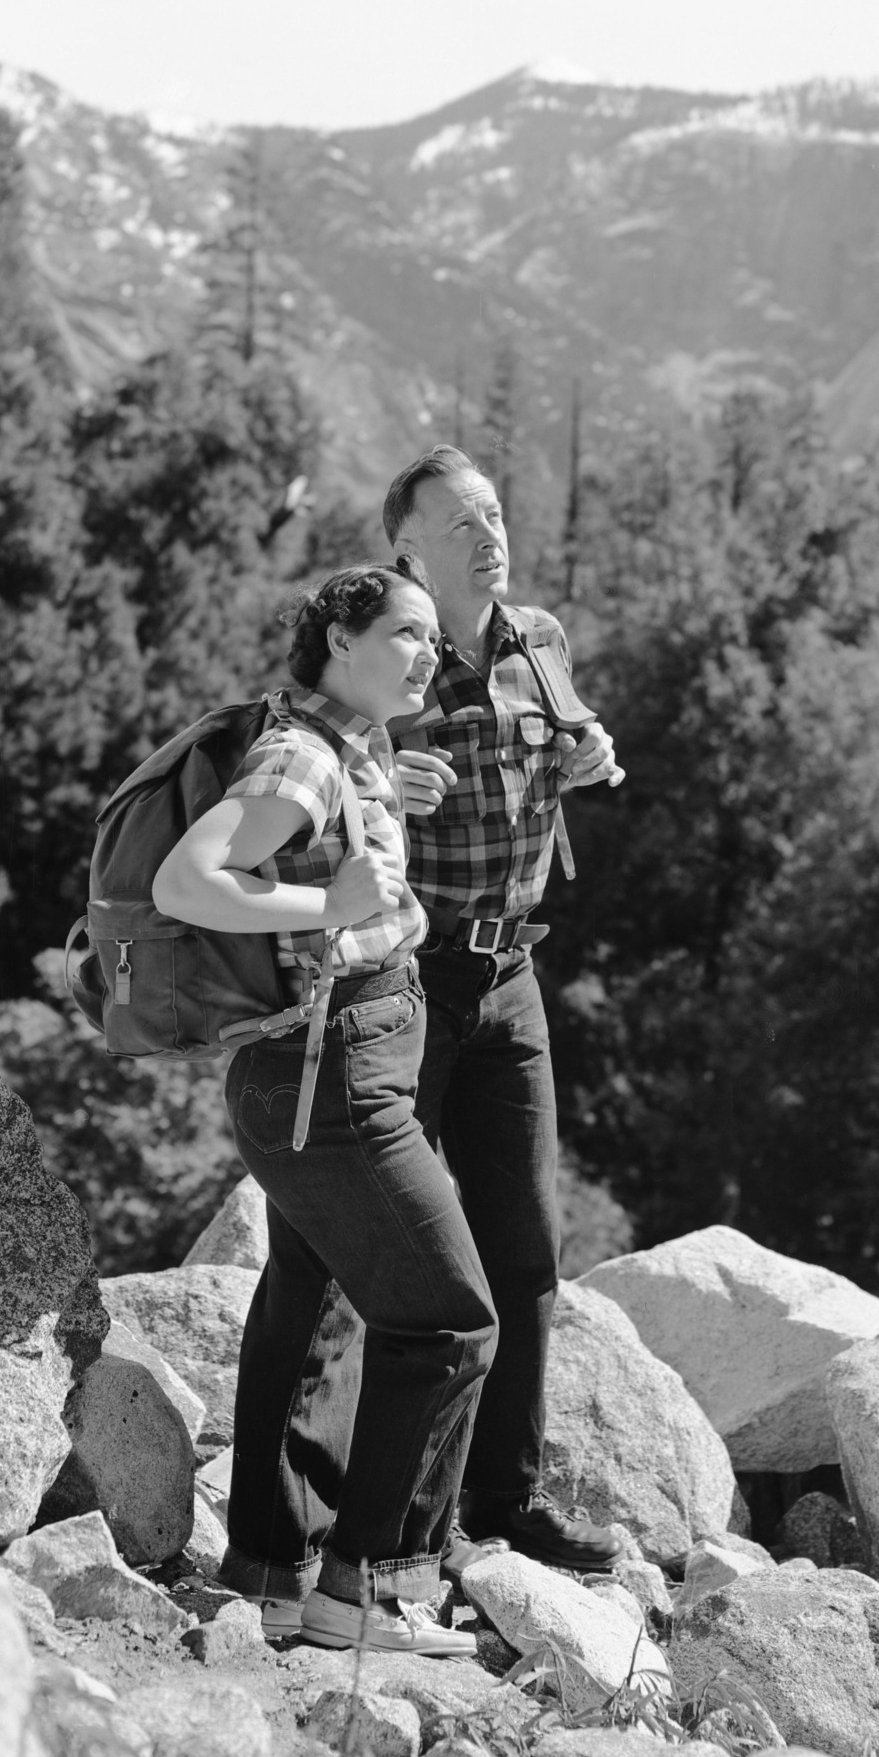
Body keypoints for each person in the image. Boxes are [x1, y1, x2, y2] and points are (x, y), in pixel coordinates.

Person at [150, 559, 494, 1655]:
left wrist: (391, 797)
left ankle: (277, 1573)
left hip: (341, 1061)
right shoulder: (302, 751)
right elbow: (187, 880)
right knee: (449, 1319)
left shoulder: (347, 743)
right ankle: (371, 1590)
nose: (428, 654)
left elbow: (330, 839)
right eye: (406, 633)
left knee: (323, 1300)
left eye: (435, 640)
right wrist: (324, 899)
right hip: (331, 1073)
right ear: (338, 639)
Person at [384, 444, 627, 1574]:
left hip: (512, 977)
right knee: (382, 1246)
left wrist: (591, 752)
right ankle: (360, 1520)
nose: (487, 530)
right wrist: (382, 764)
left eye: (491, 511)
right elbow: (308, 766)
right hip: (407, 972)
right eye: (459, 519)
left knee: (526, 1248)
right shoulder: (386, 656)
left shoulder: (536, 637)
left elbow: (569, 735)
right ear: (407, 549)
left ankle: (501, 1503)